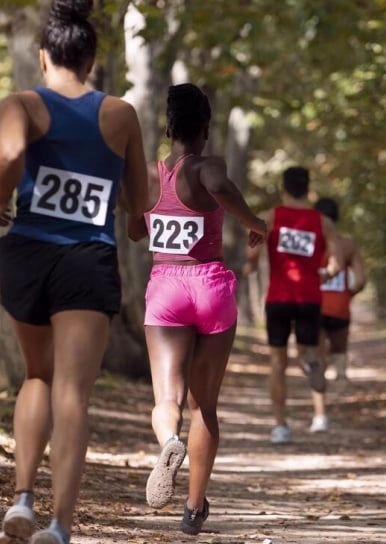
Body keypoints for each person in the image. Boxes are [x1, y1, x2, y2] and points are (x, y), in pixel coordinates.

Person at [0, 0, 148, 542]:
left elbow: (9, 154)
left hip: (29, 252)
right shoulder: (120, 114)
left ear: (43, 55)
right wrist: (131, 223)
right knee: (73, 393)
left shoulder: (22, 104)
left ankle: (23, 499)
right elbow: (138, 201)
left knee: (37, 375)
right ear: (92, 60)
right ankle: (59, 527)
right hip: (86, 259)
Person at [127, 83, 266, 536]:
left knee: (167, 398)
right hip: (210, 287)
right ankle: (193, 507)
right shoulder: (209, 166)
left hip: (165, 288)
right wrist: (254, 223)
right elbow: (221, 186)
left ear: (167, 128)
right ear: (205, 129)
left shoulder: (149, 174)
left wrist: (148, 213)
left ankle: (170, 441)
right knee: (205, 404)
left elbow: (133, 231)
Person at [244, 167, 342, 443]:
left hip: (278, 298)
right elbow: (334, 264)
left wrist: (250, 265)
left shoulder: (271, 217)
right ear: (309, 189)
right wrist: (323, 273)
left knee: (277, 362)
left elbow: (252, 254)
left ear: (283, 189)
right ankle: (312, 367)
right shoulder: (324, 222)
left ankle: (280, 426)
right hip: (310, 298)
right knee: (308, 351)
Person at [314, 197, 366, 383]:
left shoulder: (308, 245)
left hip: (313, 305)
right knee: (340, 350)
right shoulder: (348, 246)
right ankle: (341, 385)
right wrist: (348, 294)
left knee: (316, 350)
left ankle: (318, 388)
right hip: (340, 307)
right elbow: (360, 280)